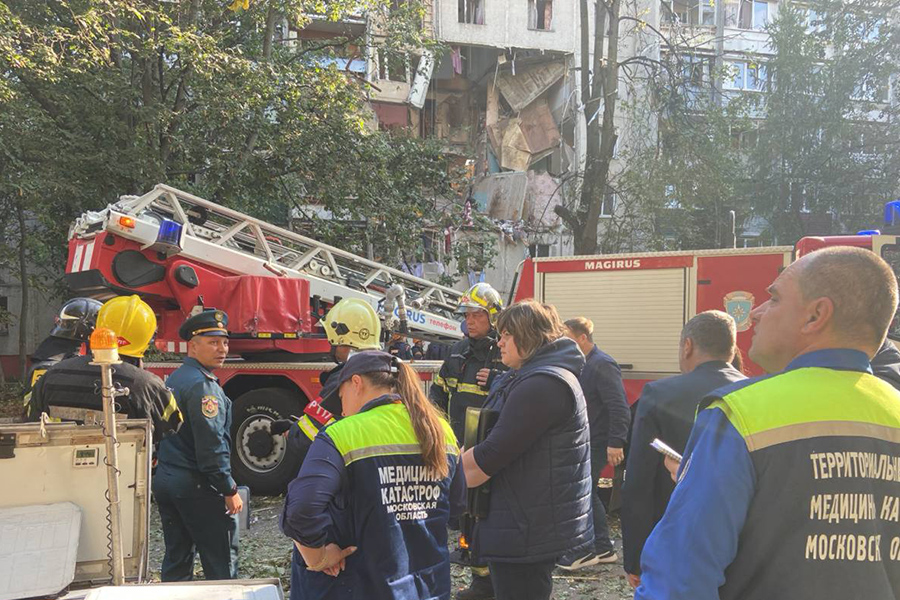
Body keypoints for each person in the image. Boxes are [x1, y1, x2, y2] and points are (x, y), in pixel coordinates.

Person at [636, 246, 900, 600]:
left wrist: (707, 480)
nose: (756, 313)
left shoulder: (740, 413)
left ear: (815, 316)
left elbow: (679, 583)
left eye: (773, 299)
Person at [281, 351, 465, 599]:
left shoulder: (343, 434)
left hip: (362, 586)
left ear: (356, 383)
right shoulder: (440, 429)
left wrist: (320, 556)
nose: (343, 408)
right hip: (427, 587)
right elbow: (457, 506)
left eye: (340, 395)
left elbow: (301, 509)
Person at [462, 300, 593, 600]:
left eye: (507, 334)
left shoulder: (543, 384)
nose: (500, 342)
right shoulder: (536, 376)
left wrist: (442, 474)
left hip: (524, 528)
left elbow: (490, 455)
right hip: (523, 521)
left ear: (530, 336)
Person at [620, 310, 746, 588]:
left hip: (674, 534)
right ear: (732, 348)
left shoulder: (659, 393)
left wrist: (635, 557)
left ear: (687, 345)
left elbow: (639, 482)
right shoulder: (754, 392)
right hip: (737, 537)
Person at [272, 297, 383, 596]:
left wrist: (296, 430)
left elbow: (304, 440)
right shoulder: (388, 373)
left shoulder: (345, 379)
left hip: (336, 510)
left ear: (342, 337)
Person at [153, 308, 243, 581]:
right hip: (198, 484)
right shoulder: (204, 387)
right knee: (221, 563)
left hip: (168, 480)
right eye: (213, 342)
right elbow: (211, 445)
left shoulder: (177, 377)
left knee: (177, 562)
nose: (222, 349)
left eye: (225, 342)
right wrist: (228, 487)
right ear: (192, 347)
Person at [430, 282, 506, 600]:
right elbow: (437, 395)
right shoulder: (457, 352)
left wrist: (497, 380)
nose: (470, 321)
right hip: (457, 448)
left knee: (486, 515)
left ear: (493, 317)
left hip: (489, 453)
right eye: (467, 315)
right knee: (465, 516)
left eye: (476, 315)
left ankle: (492, 581)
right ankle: (479, 580)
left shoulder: (503, 353)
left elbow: (514, 399)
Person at [26, 295, 183, 442]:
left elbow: (31, 421)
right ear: (146, 339)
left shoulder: (52, 375)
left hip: (55, 466)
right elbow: (172, 426)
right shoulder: (148, 384)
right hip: (127, 469)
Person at [555, 317, 630, 570]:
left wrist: (616, 442)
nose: (562, 341)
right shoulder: (582, 363)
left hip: (597, 441)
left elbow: (619, 406)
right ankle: (601, 547)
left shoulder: (602, 364)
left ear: (582, 338)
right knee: (588, 491)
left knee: (586, 491)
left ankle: (598, 547)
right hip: (584, 439)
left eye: (566, 336)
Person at [23, 297, 102, 413]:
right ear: (88, 331)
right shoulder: (46, 368)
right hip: (56, 429)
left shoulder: (47, 358)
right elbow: (34, 412)